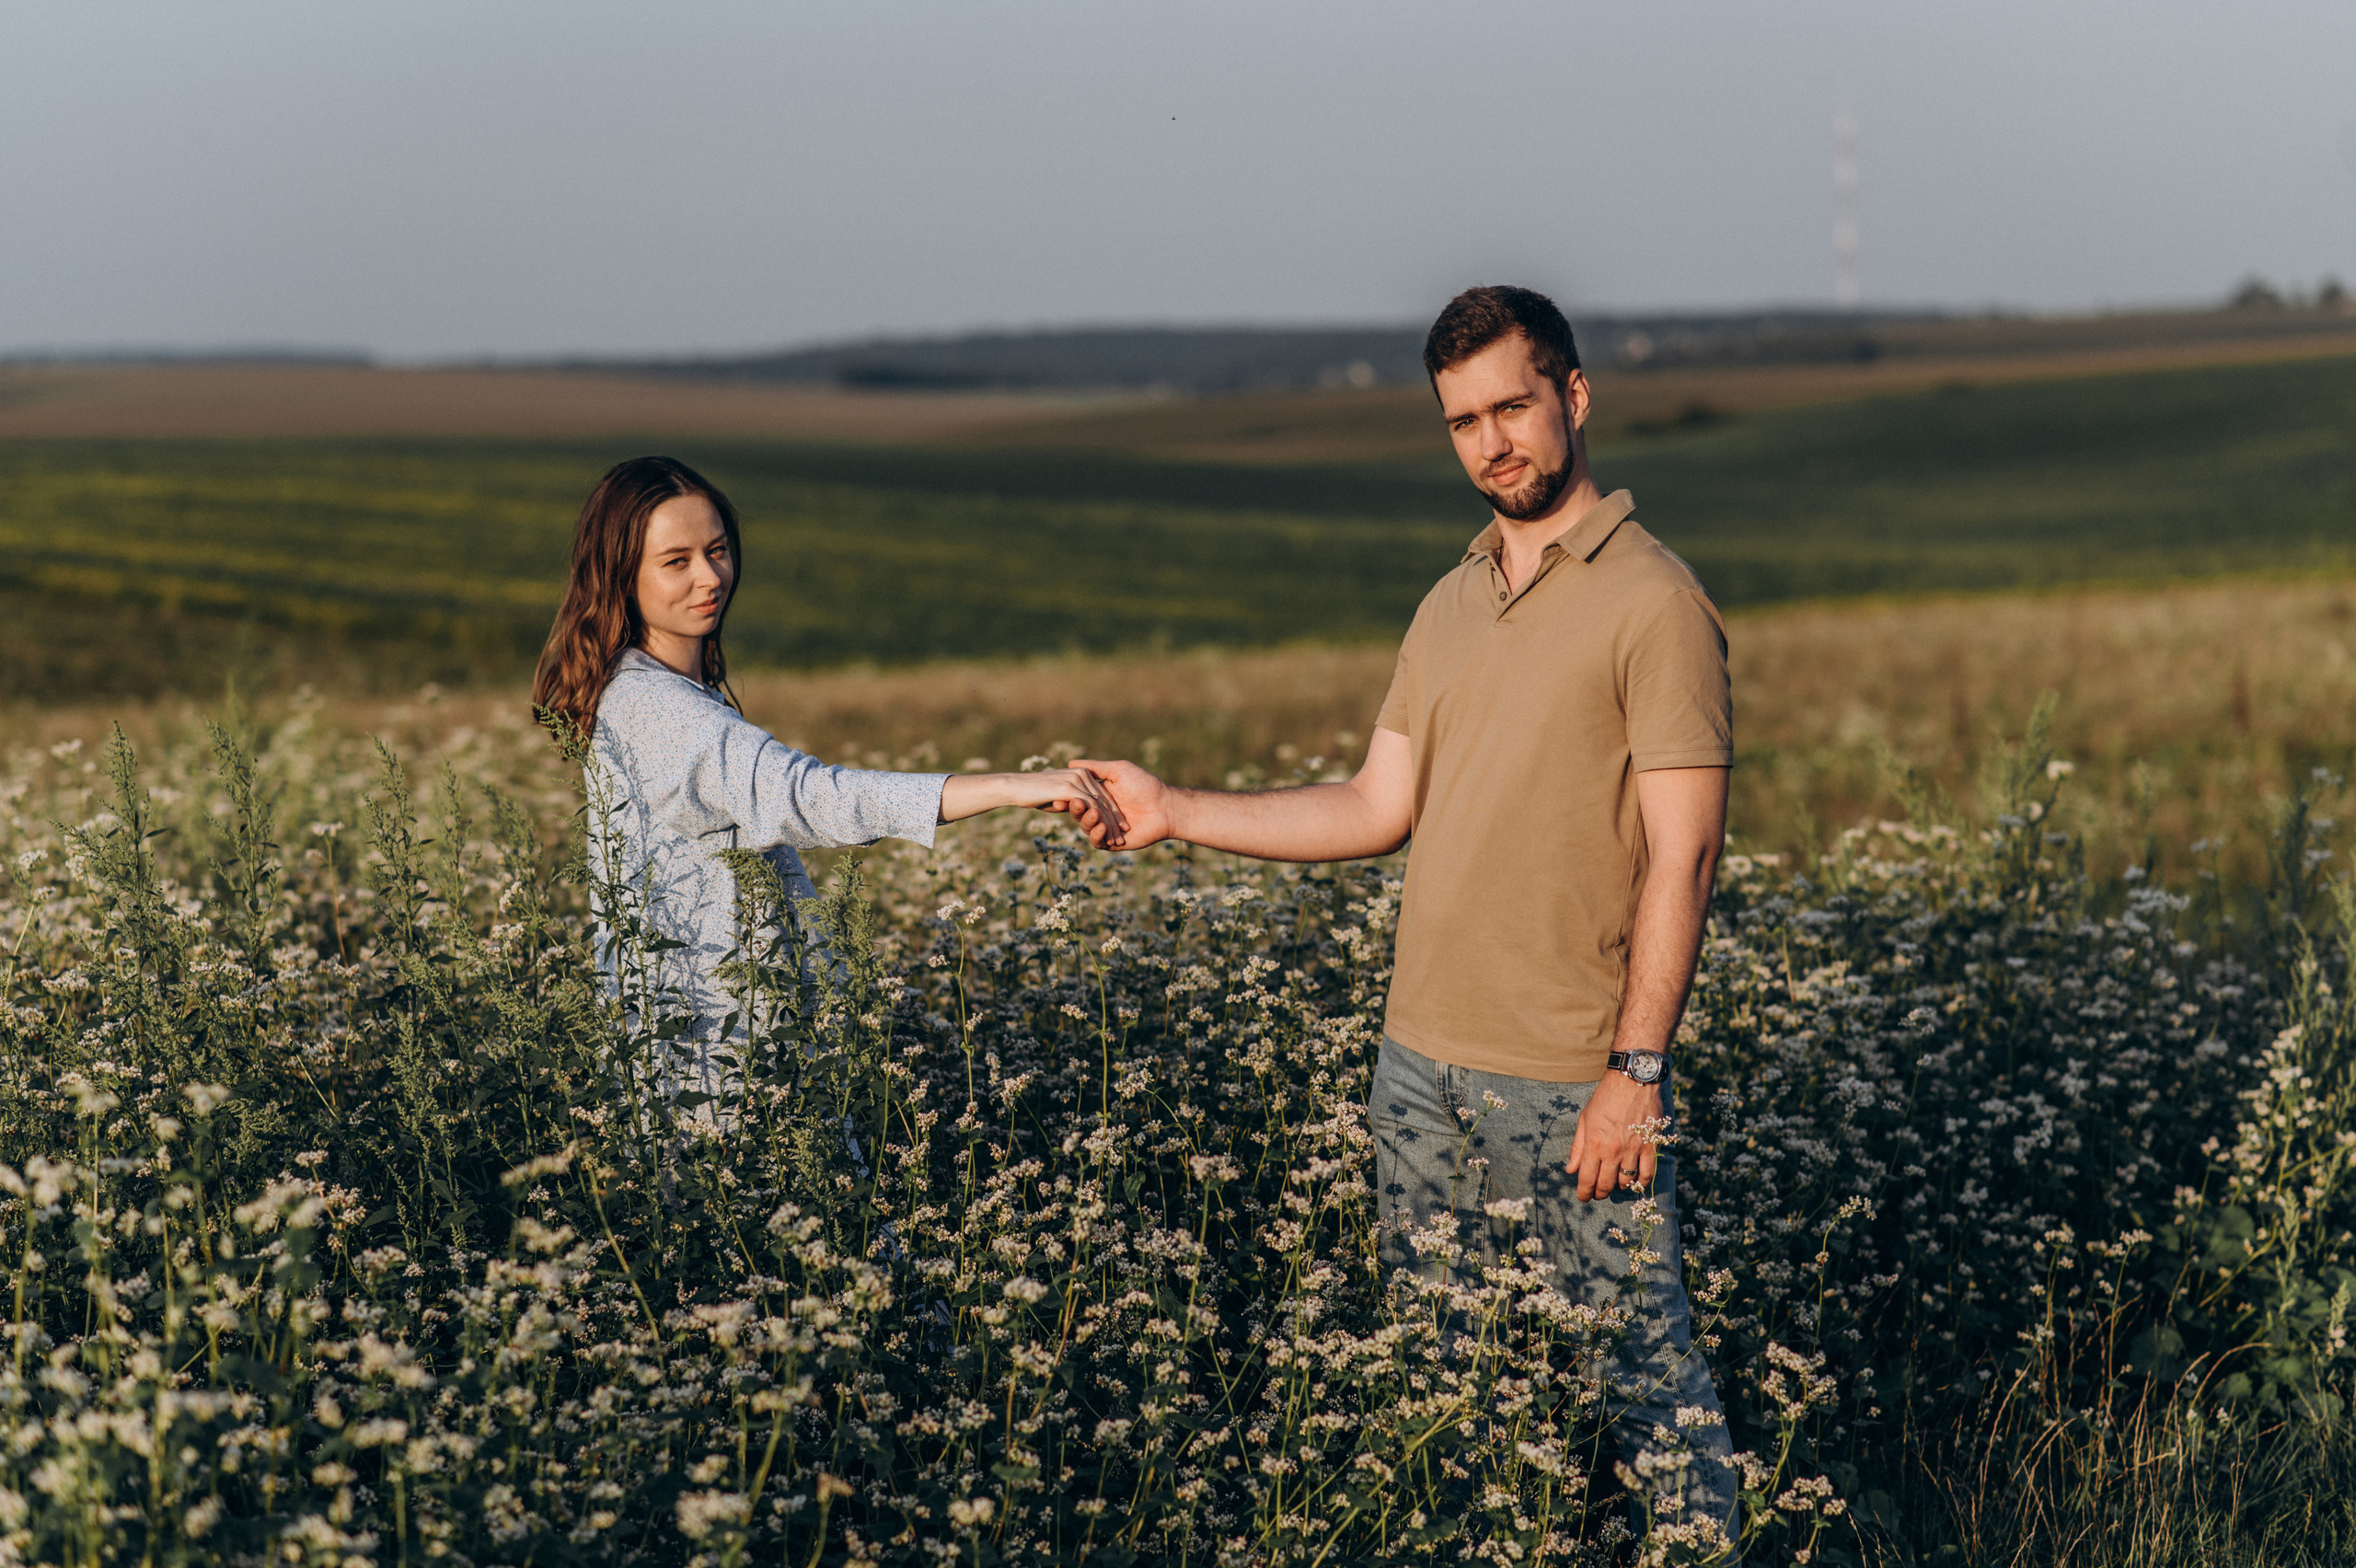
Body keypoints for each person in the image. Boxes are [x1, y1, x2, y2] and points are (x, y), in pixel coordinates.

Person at [1078, 287, 1740, 1551]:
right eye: (1462, 422)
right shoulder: (1448, 602)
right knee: (1453, 1396)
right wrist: (1175, 810)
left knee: (1644, 1381)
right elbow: (1379, 805)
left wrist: (1632, 1073)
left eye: (1512, 407)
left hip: (1568, 1078)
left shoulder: (1654, 603)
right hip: (1418, 1069)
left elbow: (1686, 853)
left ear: (1574, 397)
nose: (1492, 442)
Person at [532, 455, 1120, 1107]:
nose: (709, 577)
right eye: (677, 562)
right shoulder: (659, 709)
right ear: (622, 577)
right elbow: (808, 797)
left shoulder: (654, 693)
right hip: (717, 1068)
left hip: (727, 1045)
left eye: (718, 550)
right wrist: (1007, 787)